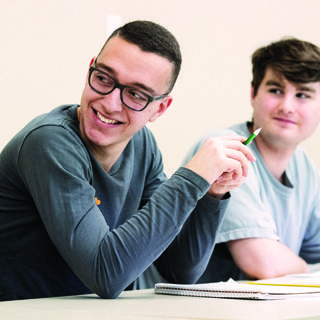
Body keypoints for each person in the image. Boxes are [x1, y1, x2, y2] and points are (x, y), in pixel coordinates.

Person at [0, 20, 255, 301]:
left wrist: (211, 193)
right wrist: (191, 178)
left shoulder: (142, 145)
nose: (109, 103)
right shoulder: (50, 142)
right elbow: (106, 275)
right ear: (90, 69)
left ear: (160, 109)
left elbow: (179, 270)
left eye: (135, 94)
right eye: (103, 78)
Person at [183, 37, 320, 283]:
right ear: (253, 94)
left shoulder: (303, 164)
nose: (287, 106)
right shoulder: (226, 149)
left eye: (302, 94)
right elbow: (262, 264)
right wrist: (304, 268)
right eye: (276, 90)